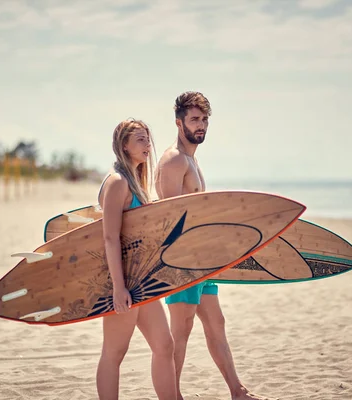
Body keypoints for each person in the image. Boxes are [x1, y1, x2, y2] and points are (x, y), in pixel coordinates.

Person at [156, 92, 267, 400]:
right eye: (194, 119)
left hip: (201, 258)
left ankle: (238, 392)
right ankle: (171, 396)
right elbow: (167, 216)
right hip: (181, 259)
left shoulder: (191, 159)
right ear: (179, 123)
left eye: (204, 119)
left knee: (216, 322)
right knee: (181, 330)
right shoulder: (174, 160)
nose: (201, 125)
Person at [96, 119, 177, 399]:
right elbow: (110, 237)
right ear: (124, 145)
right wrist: (119, 288)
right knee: (114, 353)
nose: (148, 145)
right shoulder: (118, 182)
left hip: (143, 281)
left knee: (165, 346)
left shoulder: (135, 181)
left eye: (148, 139)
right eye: (141, 139)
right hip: (124, 282)